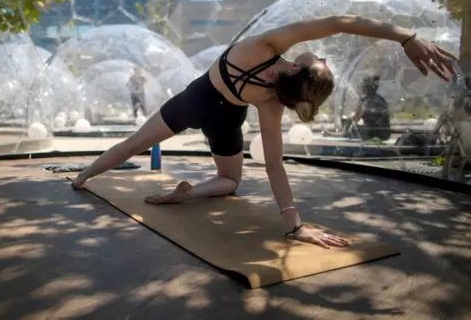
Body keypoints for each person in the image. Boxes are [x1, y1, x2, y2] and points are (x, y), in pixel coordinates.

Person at [71, 15, 457, 249]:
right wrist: (296, 226)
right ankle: (194, 191)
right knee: (229, 182)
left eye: (319, 63)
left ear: (296, 70)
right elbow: (274, 166)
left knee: (133, 144)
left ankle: (84, 177)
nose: (321, 56)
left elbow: (343, 20)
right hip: (228, 119)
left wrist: (407, 37)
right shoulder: (273, 101)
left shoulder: (265, 46)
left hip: (193, 102)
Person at [325, 75, 391, 141]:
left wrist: (349, 122)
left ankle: (331, 134)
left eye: (363, 85)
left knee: (353, 128)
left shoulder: (364, 100)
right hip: (385, 135)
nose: (361, 87)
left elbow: (356, 119)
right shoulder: (381, 100)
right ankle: (333, 134)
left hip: (372, 133)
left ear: (366, 87)